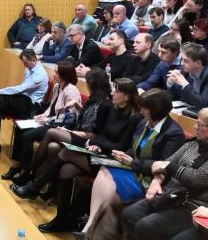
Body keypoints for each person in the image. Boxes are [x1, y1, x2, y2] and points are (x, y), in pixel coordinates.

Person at [56, 89, 187, 235]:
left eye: (144, 108)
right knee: (103, 168)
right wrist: (123, 155)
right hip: (131, 168)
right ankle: (88, 227)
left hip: (149, 179)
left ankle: (89, 228)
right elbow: (133, 148)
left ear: (154, 110)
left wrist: (131, 162)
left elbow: (163, 165)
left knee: (106, 192)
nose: (141, 111)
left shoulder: (173, 133)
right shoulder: (143, 122)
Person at [11, 78, 143, 201]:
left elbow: (120, 147)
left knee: (66, 152)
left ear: (127, 96)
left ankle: (34, 185)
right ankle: (60, 214)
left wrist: (96, 143)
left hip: (111, 160)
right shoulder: (114, 109)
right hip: (98, 151)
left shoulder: (134, 118)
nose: (112, 93)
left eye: (117, 91)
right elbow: (101, 134)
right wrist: (97, 145)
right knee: (66, 169)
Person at [118, 106, 208, 240]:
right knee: (129, 214)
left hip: (196, 206)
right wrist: (157, 180)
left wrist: (169, 167)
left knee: (146, 226)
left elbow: (198, 178)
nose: (195, 127)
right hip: (172, 195)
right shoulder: (193, 143)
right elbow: (165, 163)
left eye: (199, 125)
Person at [10, 68, 112, 187]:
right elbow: (84, 116)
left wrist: (68, 131)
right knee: (52, 147)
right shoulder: (93, 99)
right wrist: (77, 105)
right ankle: (45, 184)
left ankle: (29, 174)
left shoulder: (104, 104)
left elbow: (93, 133)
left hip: (86, 140)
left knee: (51, 132)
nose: (87, 86)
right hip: (76, 132)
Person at [1, 60, 81, 181]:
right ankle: (16, 166)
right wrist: (42, 116)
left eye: (57, 73)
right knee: (19, 128)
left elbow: (69, 117)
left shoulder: (72, 90)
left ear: (64, 74)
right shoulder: (57, 86)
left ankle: (26, 172)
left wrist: (47, 119)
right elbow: (51, 107)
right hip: (49, 121)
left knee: (28, 136)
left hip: (59, 127)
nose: (54, 75)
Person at [168, 42, 208, 110]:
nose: (182, 63)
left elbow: (204, 105)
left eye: (185, 61)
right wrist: (171, 83)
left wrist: (184, 84)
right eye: (182, 59)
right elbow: (173, 97)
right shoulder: (187, 69)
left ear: (198, 63)